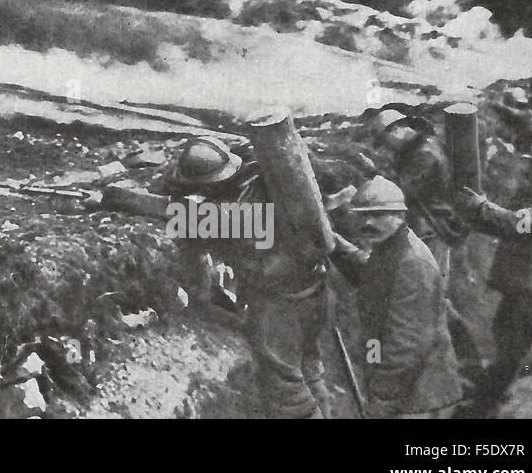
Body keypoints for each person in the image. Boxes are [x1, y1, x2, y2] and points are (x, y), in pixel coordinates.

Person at [167, 137, 349, 419]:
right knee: (310, 370)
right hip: (315, 288)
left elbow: (180, 220)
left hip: (279, 306)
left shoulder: (227, 212)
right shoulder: (265, 182)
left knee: (287, 394)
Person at [457, 136, 532, 414]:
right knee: (505, 335)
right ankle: (491, 395)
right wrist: (480, 212)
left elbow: (517, 224)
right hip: (525, 285)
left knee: (513, 345)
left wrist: (480, 207)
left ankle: (491, 402)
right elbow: (505, 223)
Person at [330, 176, 462, 418]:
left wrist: (381, 401)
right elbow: (370, 272)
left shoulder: (411, 263)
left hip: (417, 396)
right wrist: (334, 244)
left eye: (378, 215)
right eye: (362, 215)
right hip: (402, 388)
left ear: (400, 216)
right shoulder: (390, 247)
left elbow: (406, 345)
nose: (368, 223)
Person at [371, 107, 480, 378]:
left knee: (434, 298)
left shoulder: (424, 154)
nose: (387, 148)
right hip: (429, 229)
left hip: (434, 230)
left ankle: (467, 362)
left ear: (397, 130)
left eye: (386, 141)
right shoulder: (416, 150)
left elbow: (400, 192)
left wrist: (370, 174)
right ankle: (456, 361)